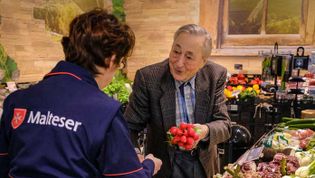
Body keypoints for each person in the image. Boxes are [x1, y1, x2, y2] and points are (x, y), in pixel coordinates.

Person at [0, 9, 162, 178]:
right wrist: (149, 165)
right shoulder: (106, 113)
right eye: (121, 63)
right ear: (111, 59)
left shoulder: (16, 101)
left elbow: (3, 165)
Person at [124, 24, 231, 178]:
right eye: (176, 52)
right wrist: (136, 155)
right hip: (163, 165)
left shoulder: (215, 75)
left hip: (203, 164)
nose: (179, 63)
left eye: (189, 57)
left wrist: (204, 131)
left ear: (203, 62)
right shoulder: (148, 78)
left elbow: (225, 125)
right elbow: (129, 126)